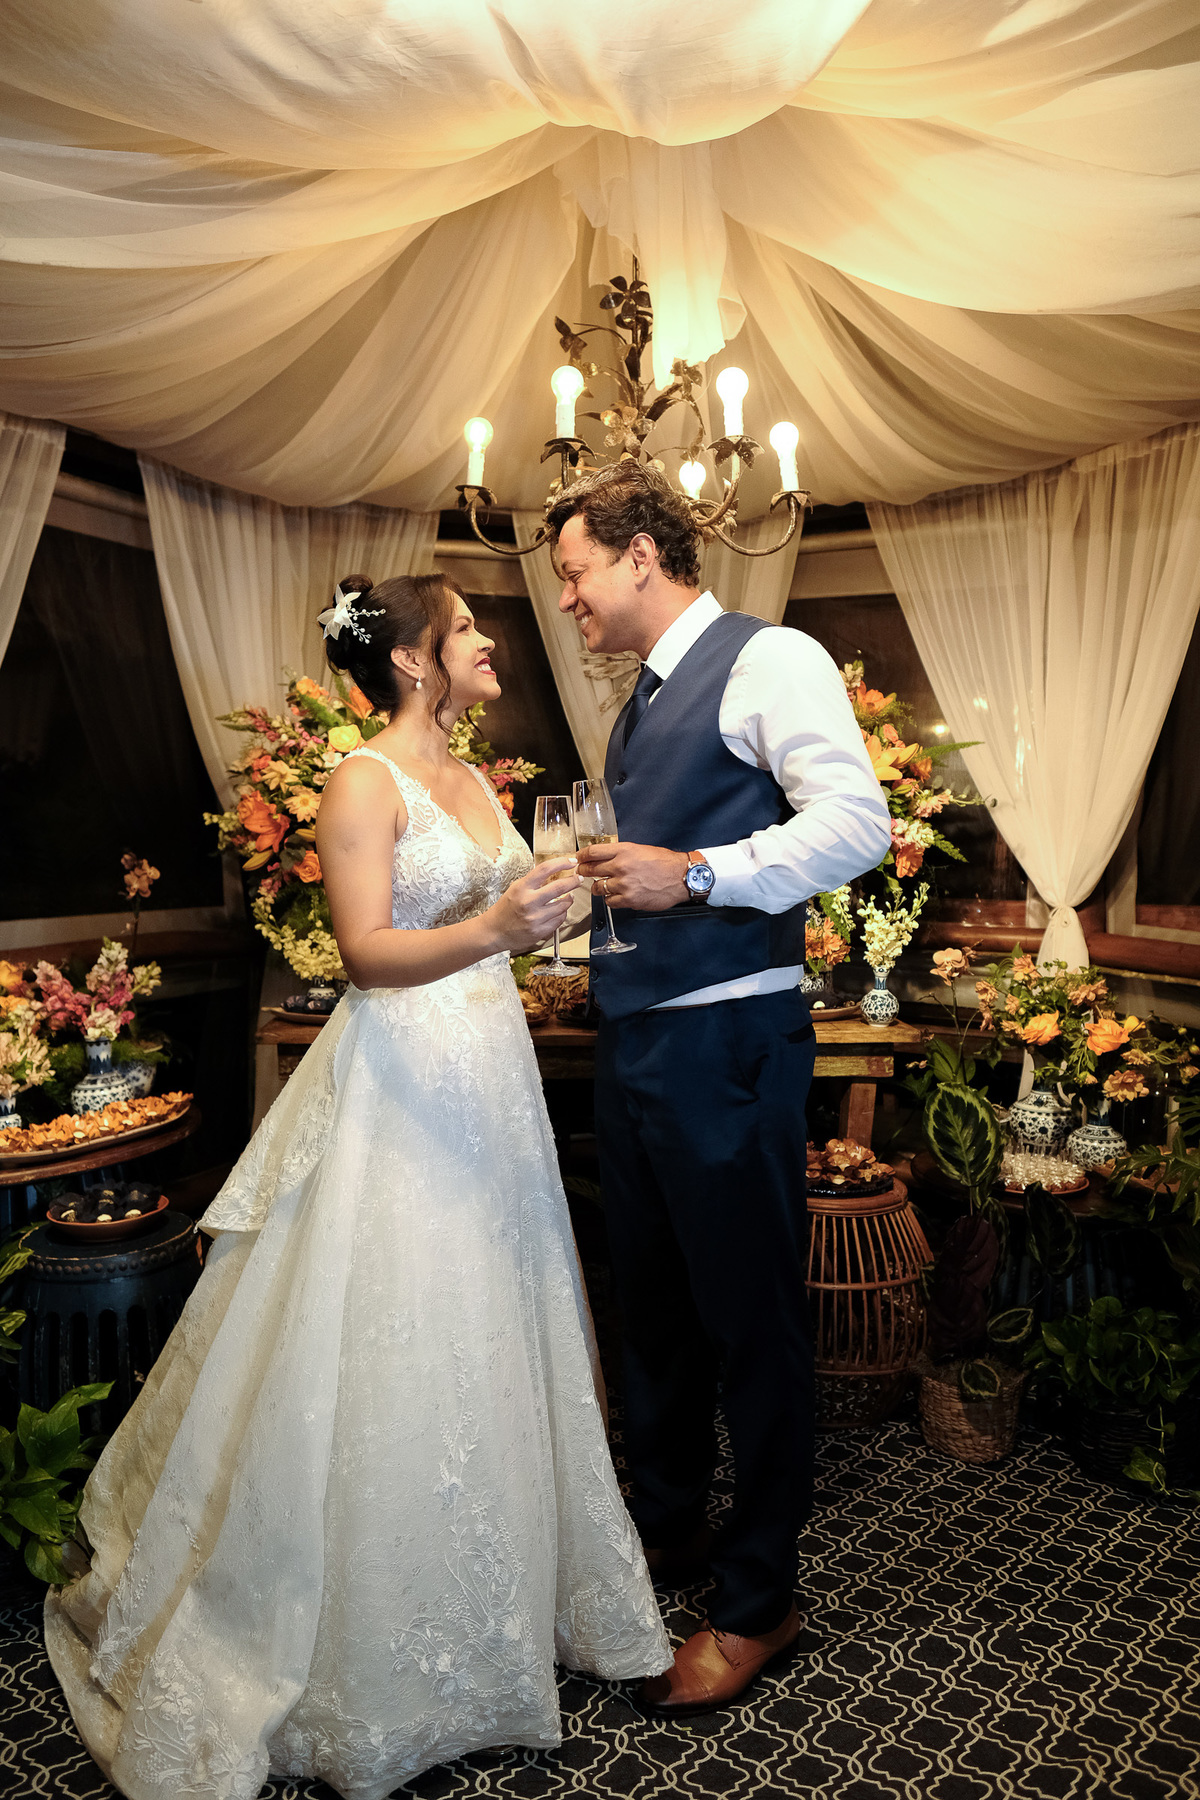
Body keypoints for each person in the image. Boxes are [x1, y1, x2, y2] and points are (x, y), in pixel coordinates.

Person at [45, 571, 670, 1800]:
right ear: (415, 663)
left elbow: (500, 916)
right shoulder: (359, 781)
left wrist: (541, 913)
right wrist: (498, 930)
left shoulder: (485, 782)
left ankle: (502, 1606)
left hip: (493, 1071)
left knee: (500, 1317)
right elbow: (371, 955)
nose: (492, 639)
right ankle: (360, 1646)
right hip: (402, 1084)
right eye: (469, 628)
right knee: (399, 1326)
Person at [547, 465, 892, 1717]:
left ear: (644, 553)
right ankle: (673, 1532)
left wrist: (691, 876)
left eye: (579, 571)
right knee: (652, 1314)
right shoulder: (636, 704)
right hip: (636, 1048)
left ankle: (759, 1601)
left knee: (752, 1325)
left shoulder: (771, 657)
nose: (570, 598)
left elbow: (858, 824)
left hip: (729, 1048)